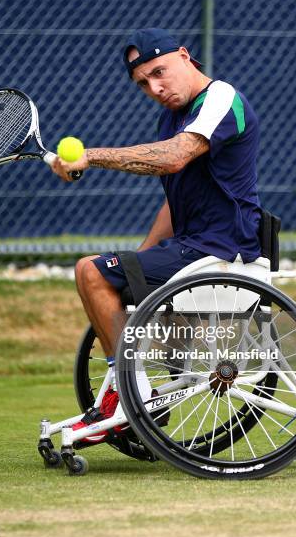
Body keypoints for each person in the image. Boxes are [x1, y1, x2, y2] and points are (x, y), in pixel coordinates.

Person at [51, 27, 262, 444]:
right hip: (192, 248)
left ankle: (131, 396)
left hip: (222, 250)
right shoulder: (172, 115)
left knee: (89, 272)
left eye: (159, 71)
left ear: (185, 56)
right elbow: (175, 199)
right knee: (109, 275)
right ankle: (136, 389)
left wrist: (90, 157)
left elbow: (173, 158)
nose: (155, 87)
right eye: (144, 82)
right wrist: (140, 258)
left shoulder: (221, 98)